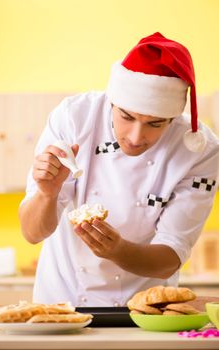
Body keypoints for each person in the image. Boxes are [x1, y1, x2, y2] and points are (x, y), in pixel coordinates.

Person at [19, 32, 219, 307]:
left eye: (155, 124)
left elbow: (170, 258)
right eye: (126, 117)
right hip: (61, 306)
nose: (136, 137)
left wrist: (118, 251)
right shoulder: (74, 117)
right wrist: (46, 194)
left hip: (144, 312)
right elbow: (32, 233)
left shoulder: (199, 149)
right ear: (111, 102)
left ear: (173, 118)